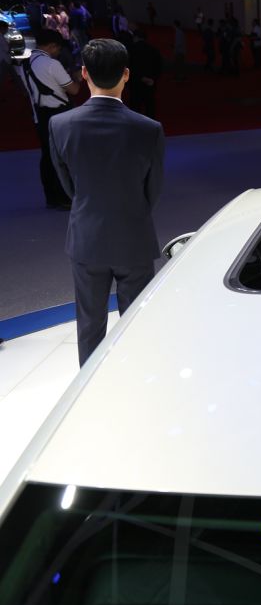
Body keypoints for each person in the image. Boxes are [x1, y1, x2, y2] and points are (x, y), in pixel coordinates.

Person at [49, 38, 165, 367]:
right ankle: (135, 380)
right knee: (136, 324)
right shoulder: (149, 129)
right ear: (126, 74)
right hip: (134, 236)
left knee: (89, 325)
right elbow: (153, 189)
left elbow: (68, 186)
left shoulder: (60, 125)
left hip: (87, 236)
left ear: (84, 73)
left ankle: (90, 386)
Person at [23, 29, 81, 209]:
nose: (58, 52)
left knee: (47, 157)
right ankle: (66, 196)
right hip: (58, 112)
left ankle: (52, 196)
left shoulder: (26, 63)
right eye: (58, 49)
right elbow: (74, 90)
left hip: (40, 114)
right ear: (52, 46)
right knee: (62, 156)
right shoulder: (51, 64)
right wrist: (78, 79)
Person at [127, 30, 163, 118]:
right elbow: (159, 66)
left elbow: (129, 66)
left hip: (136, 81)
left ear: (135, 37)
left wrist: (139, 77)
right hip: (150, 82)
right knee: (149, 105)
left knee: (135, 106)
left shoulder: (131, 49)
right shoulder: (153, 49)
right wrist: (153, 78)